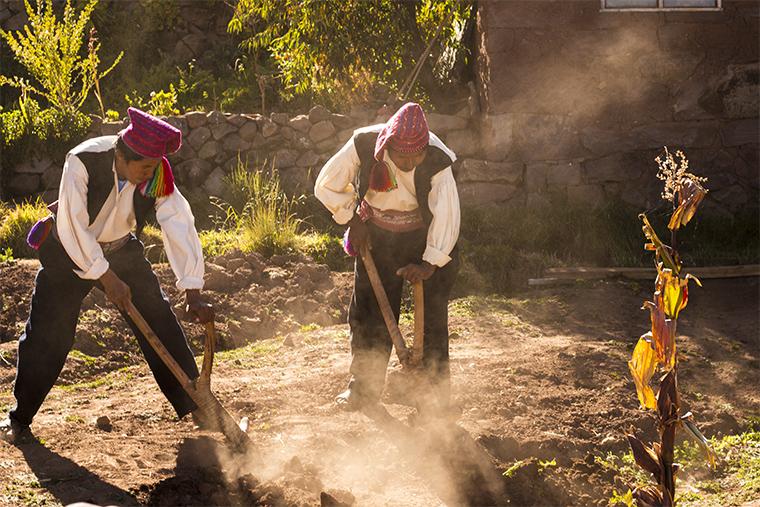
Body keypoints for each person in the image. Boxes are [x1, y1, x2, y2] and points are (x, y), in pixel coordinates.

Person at [0, 107, 214, 445]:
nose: (147, 176)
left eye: (152, 169)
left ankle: (198, 406)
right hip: (70, 250)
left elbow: (178, 223)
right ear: (120, 155)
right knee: (48, 335)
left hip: (120, 249)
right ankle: (20, 418)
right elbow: (73, 225)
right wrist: (106, 276)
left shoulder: (156, 172)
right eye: (142, 169)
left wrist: (192, 288)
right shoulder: (83, 159)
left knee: (158, 318)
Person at [314, 102, 460, 414]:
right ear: (387, 144)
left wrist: (429, 263)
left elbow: (446, 216)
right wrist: (354, 221)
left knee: (433, 317)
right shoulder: (364, 143)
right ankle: (363, 390)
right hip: (377, 233)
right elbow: (327, 185)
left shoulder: (437, 158)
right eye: (402, 156)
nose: (409, 162)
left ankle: (433, 399)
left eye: (415, 156)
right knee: (369, 312)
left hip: (425, 235)